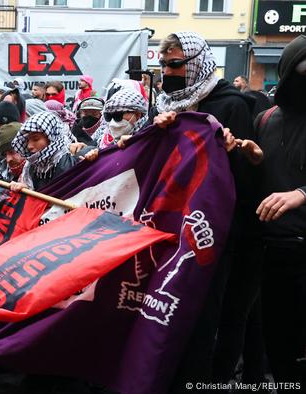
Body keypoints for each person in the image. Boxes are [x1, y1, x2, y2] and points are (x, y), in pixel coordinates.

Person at [151, 31, 258, 390]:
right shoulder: (168, 107)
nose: (168, 71)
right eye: (164, 64)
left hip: (215, 233)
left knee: (208, 319)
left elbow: (243, 178)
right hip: (173, 230)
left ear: (195, 62)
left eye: (176, 64)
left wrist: (229, 150)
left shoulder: (232, 106)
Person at [250, 34, 306, 386]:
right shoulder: (266, 119)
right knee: (279, 350)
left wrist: (302, 193)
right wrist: (249, 159)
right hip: (269, 255)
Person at [9, 112, 92, 191]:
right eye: (27, 141)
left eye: (36, 139)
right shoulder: (32, 167)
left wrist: (92, 157)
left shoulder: (74, 157)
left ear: (51, 137)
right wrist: (25, 190)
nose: (29, 146)